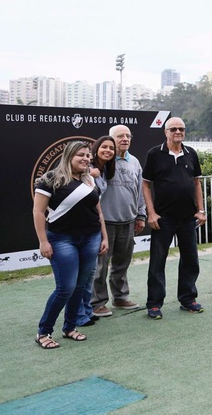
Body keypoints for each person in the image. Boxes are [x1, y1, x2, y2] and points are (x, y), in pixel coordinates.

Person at [33, 141, 109, 349]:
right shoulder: (50, 179)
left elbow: (98, 212)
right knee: (65, 288)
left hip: (91, 238)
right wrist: (43, 241)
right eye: (80, 155)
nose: (86, 159)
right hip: (61, 239)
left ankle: (70, 327)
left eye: (87, 156)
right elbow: (38, 212)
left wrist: (104, 237)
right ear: (68, 156)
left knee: (80, 286)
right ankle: (44, 332)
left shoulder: (89, 180)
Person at [142, 117, 206, 319]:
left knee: (190, 260)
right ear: (166, 132)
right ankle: (154, 303)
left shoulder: (191, 154)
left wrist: (201, 210)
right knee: (157, 262)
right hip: (163, 218)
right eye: (174, 129)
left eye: (182, 129)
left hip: (188, 218)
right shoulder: (154, 154)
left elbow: (196, 183)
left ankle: (188, 299)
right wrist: (150, 213)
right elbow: (146, 185)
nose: (178, 132)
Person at [91, 125, 146, 318]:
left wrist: (140, 215)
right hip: (104, 223)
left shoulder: (135, 162)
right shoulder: (100, 162)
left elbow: (140, 191)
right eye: (120, 136)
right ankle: (97, 302)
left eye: (128, 136)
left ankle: (120, 297)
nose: (125, 139)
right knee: (100, 265)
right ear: (110, 139)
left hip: (128, 220)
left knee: (122, 263)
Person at [75, 136, 116, 327]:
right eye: (104, 147)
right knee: (81, 274)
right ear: (96, 148)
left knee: (90, 272)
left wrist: (103, 234)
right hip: (79, 226)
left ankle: (86, 310)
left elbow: (97, 205)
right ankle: (78, 313)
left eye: (111, 148)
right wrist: (89, 172)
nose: (108, 150)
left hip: (94, 224)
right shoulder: (86, 168)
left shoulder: (106, 169)